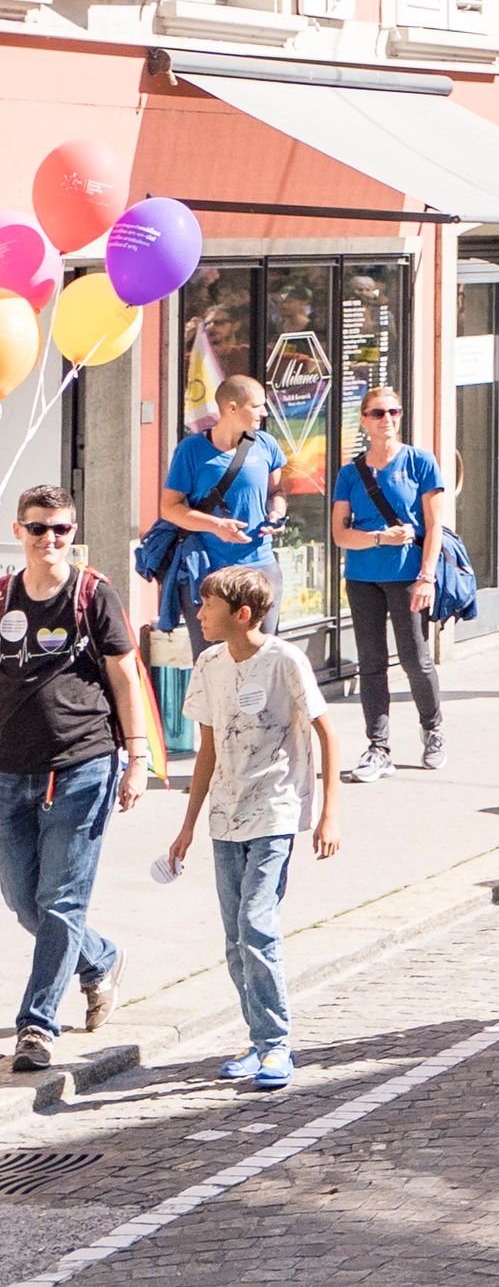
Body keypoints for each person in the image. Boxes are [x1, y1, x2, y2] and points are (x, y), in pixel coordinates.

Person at [161, 564, 336, 1090]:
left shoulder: (285, 661)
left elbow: (328, 733)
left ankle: (277, 1044)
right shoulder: (210, 662)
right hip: (224, 816)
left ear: (240, 614)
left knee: (256, 924)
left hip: (276, 811)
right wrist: (187, 825)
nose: (198, 613)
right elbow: (208, 748)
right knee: (235, 939)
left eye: (207, 606)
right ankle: (259, 1040)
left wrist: (328, 813)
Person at [0, 484, 152, 1073]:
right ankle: (101, 959)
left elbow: (124, 675)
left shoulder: (94, 594)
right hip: (10, 769)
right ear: (19, 532)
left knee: (61, 902)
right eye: (39, 528)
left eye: (61, 528)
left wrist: (136, 758)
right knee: (25, 901)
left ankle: (36, 1027)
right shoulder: (4, 596)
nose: (50, 539)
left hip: (82, 765)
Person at [327, 384, 449, 781]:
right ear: (364, 420)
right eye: (378, 413)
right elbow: (340, 535)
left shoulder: (419, 462)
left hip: (407, 577)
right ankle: (378, 747)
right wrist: (379, 538)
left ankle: (433, 728)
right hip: (362, 577)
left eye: (393, 412)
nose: (387, 420)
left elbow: (434, 527)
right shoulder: (351, 473)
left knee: (415, 657)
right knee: (371, 663)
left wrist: (426, 576)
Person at [154, 375, 285, 650]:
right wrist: (217, 526)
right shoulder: (191, 450)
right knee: (211, 655)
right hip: (209, 568)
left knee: (263, 653)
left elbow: (277, 493)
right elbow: (169, 508)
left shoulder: (266, 445)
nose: (264, 412)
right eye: (257, 406)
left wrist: (276, 515)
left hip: (259, 565)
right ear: (232, 408)